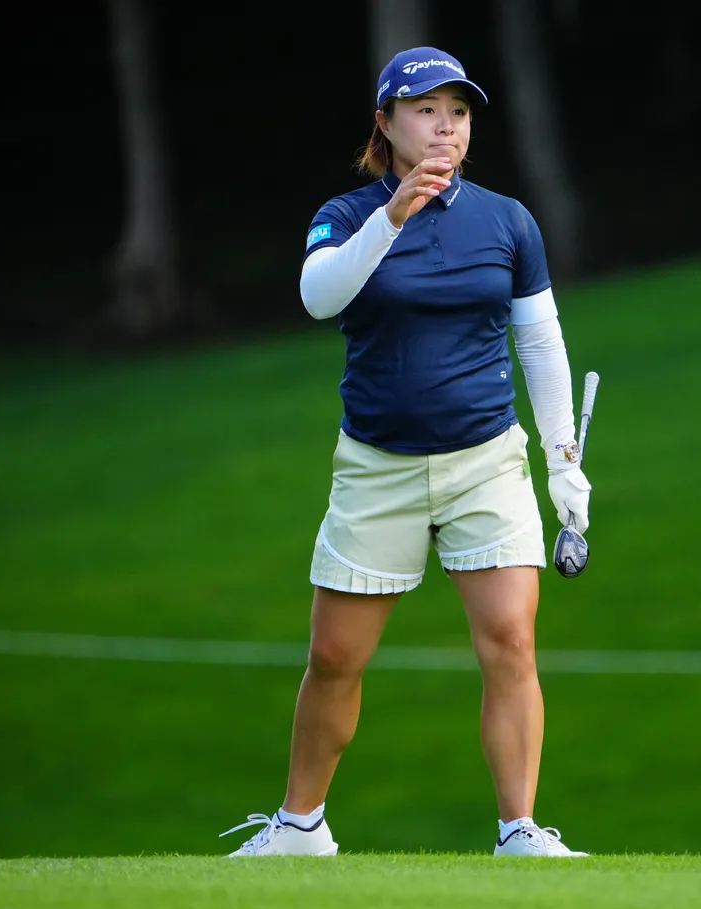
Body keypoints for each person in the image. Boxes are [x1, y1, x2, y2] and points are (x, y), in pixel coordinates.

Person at [219, 47, 592, 859]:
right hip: (376, 465)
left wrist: (563, 461)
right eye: (426, 111)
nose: (445, 127)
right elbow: (319, 297)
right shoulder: (347, 214)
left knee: (512, 640)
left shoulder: (507, 221)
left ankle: (520, 829)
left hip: (486, 461)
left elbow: (541, 342)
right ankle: (300, 825)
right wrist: (394, 216)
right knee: (334, 655)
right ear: (385, 124)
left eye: (458, 112)